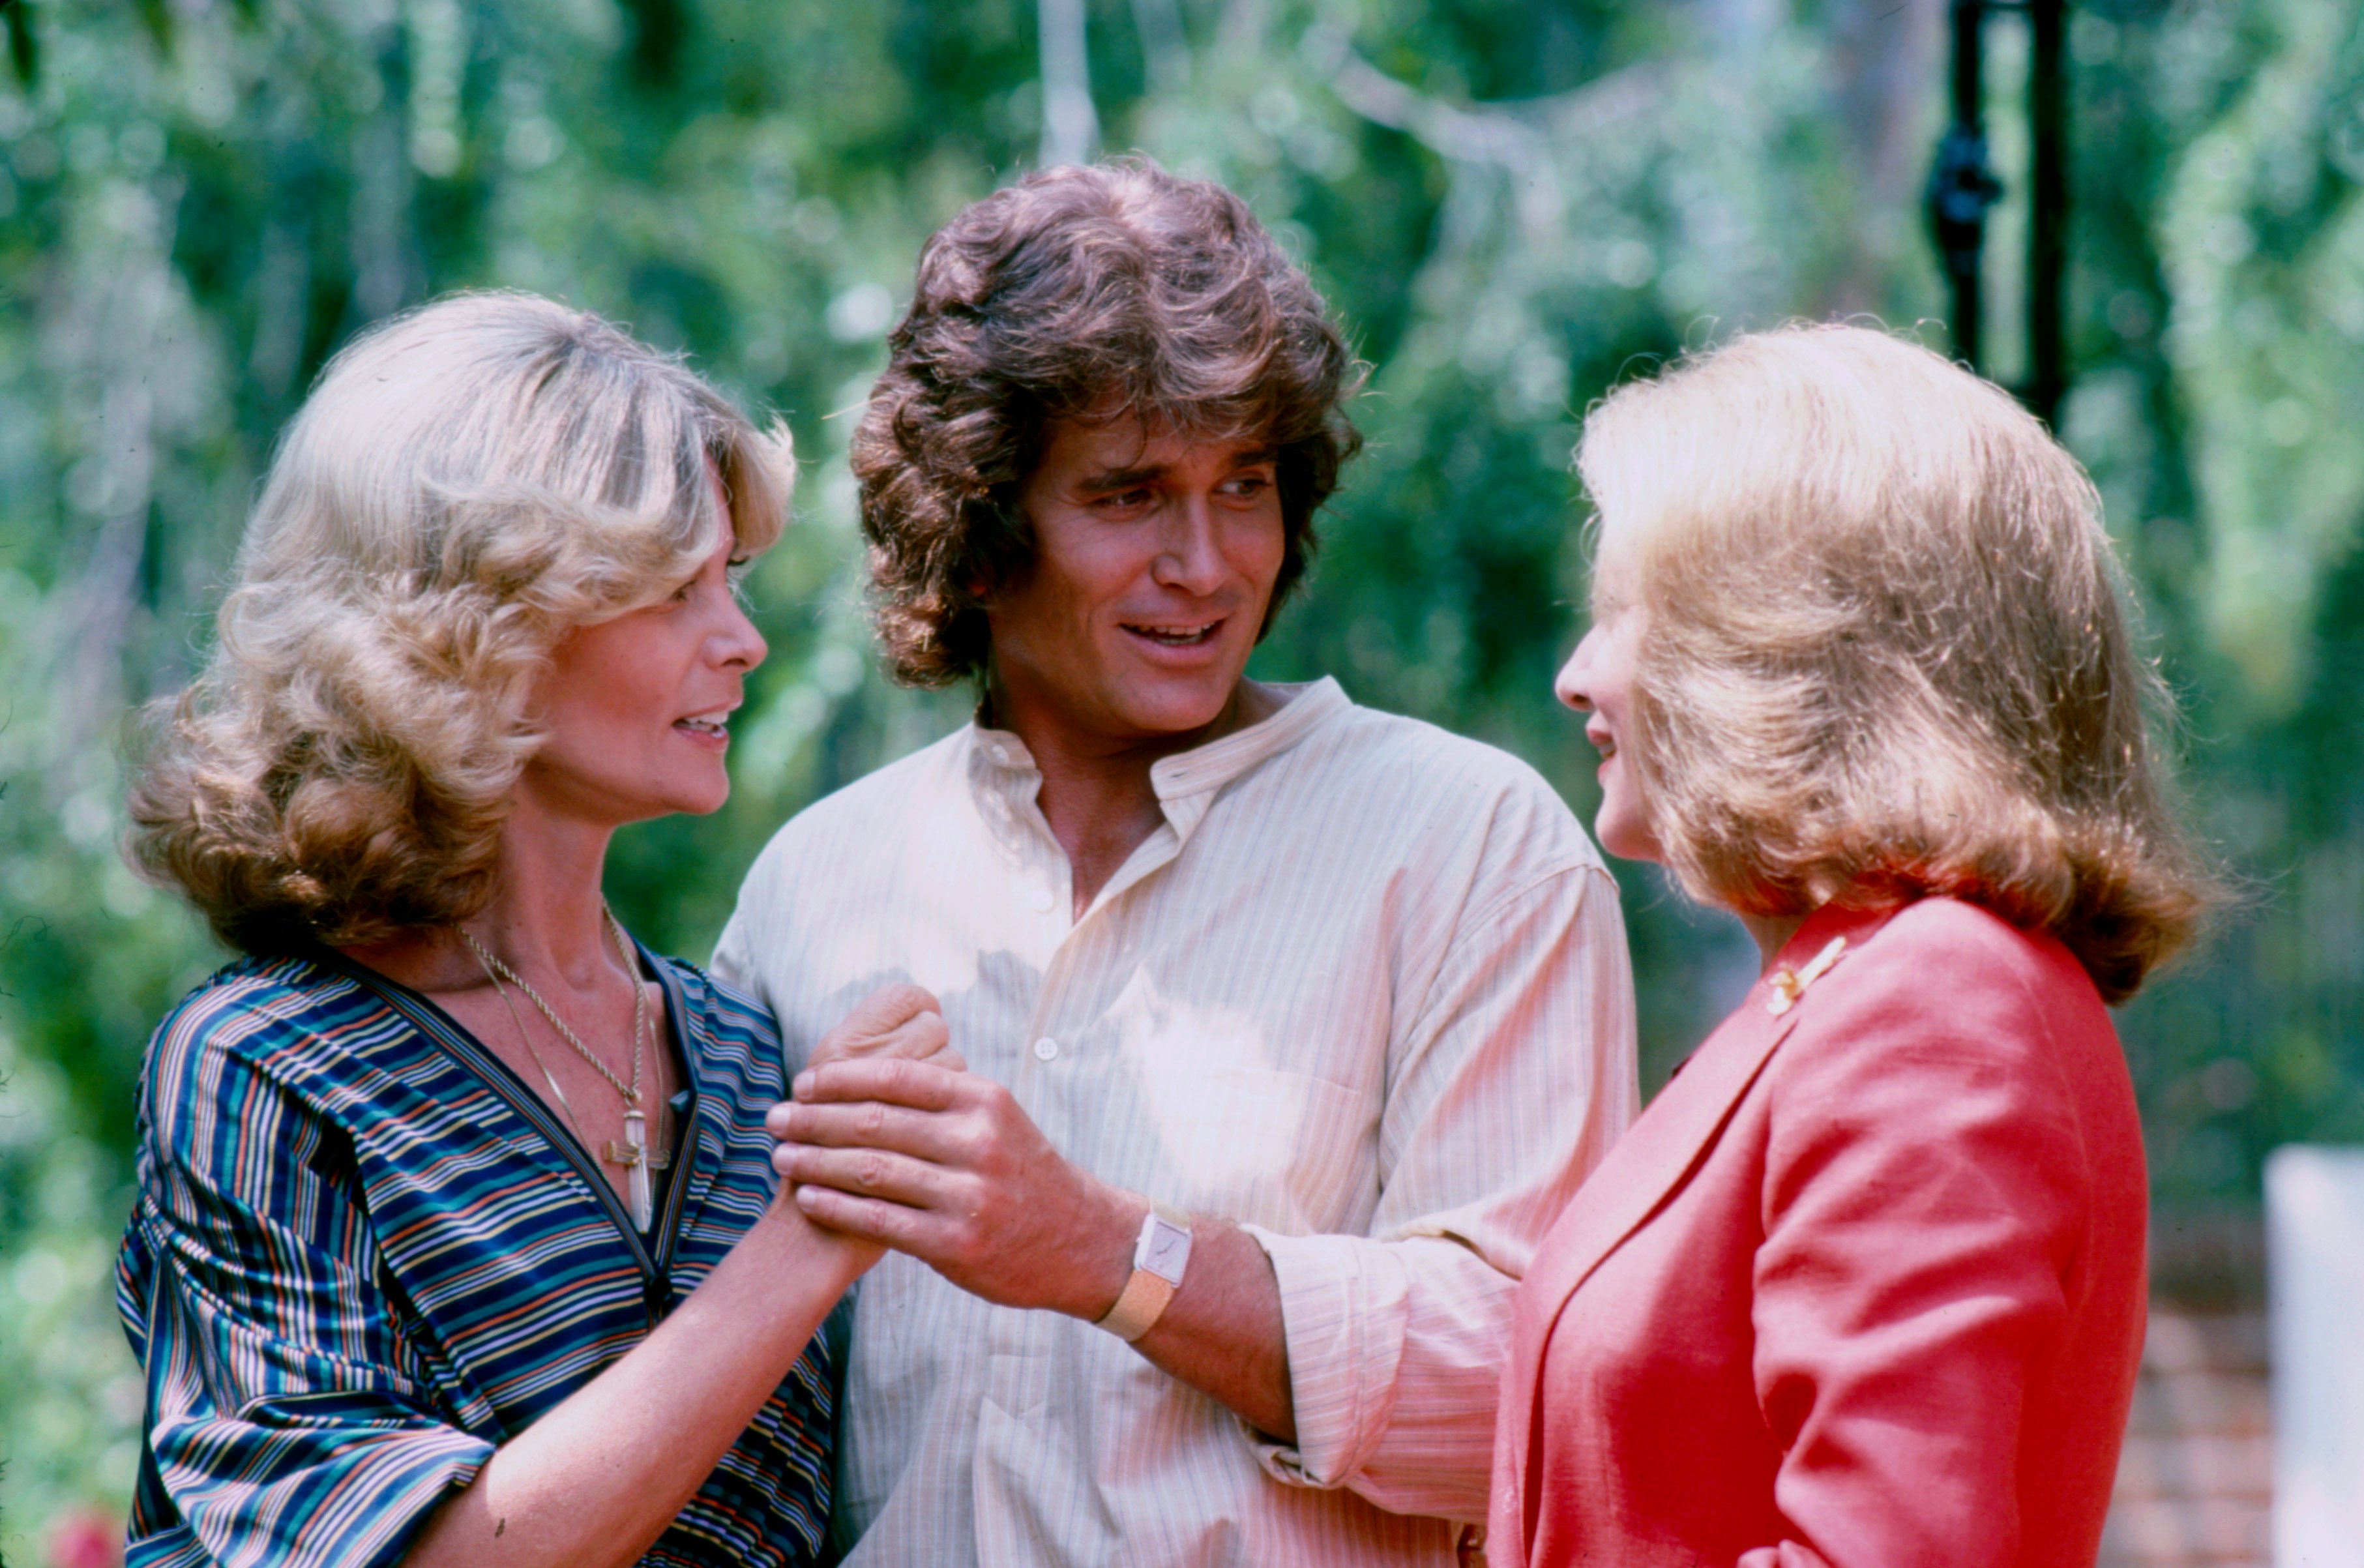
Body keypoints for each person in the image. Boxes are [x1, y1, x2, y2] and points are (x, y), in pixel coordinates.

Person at [714, 159, 1640, 1565]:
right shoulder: (813, 883)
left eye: (1245, 486)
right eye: (1130, 494)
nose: (1206, 564)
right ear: (976, 535)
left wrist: (1110, 1258)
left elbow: (1535, 1396)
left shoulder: (1471, 846)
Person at [117, 292, 949, 1568]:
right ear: (472, 627)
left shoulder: (741, 1054)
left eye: (730, 579)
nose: (743, 640)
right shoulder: (265, 1070)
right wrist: (809, 1240)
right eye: (677, 589)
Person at [1487, 323, 2218, 1567]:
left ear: (1784, 639)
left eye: (1627, 612)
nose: (1575, 672)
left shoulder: (1932, 998)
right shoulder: (1855, 984)